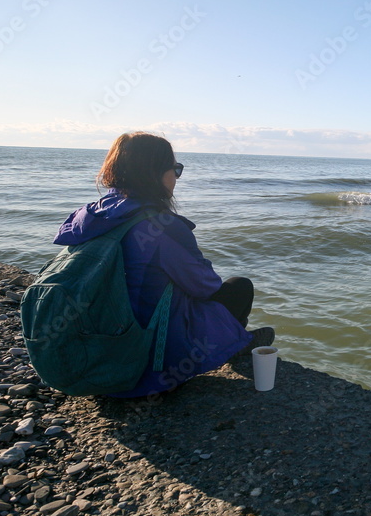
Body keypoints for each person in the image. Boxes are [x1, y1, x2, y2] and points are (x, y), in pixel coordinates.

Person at [53, 131, 273, 397]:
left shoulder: (87, 215)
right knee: (238, 287)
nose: (177, 178)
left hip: (90, 347)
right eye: (176, 169)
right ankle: (231, 347)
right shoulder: (161, 227)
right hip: (141, 363)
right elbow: (206, 286)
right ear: (155, 172)